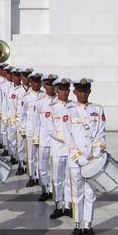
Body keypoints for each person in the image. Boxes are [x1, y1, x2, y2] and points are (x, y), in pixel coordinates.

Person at [63, 78, 106, 235]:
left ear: (89, 91)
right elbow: (67, 137)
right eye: (80, 91)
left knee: (90, 194)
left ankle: (88, 225)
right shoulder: (69, 110)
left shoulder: (98, 109)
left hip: (93, 160)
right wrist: (79, 157)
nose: (83, 94)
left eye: (86, 91)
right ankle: (77, 226)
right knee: (77, 194)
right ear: (74, 92)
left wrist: (96, 154)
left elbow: (101, 134)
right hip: (76, 161)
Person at [48, 78, 74, 220]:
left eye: (66, 89)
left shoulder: (74, 107)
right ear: (56, 90)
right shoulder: (51, 107)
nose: (64, 92)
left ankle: (68, 205)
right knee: (57, 178)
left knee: (69, 178)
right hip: (58, 148)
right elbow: (50, 128)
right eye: (61, 89)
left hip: (71, 150)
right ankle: (58, 205)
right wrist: (66, 138)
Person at [35, 73, 59, 201]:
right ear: (44, 85)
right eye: (48, 85)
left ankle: (53, 190)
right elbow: (36, 121)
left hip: (56, 141)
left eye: (53, 85)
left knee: (54, 166)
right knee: (43, 166)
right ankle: (44, 189)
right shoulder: (40, 102)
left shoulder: (59, 102)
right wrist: (36, 138)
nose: (51, 87)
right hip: (44, 139)